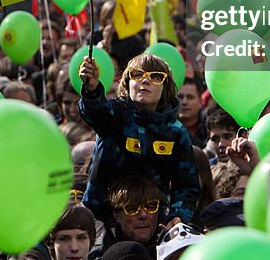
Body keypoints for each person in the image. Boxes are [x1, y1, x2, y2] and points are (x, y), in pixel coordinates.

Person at [78, 54, 199, 227]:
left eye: (156, 76)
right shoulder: (115, 114)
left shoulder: (176, 131)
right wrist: (91, 88)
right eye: (137, 74)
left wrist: (178, 215)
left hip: (152, 221)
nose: (145, 80)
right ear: (127, 83)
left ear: (166, 88)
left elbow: (187, 186)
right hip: (103, 217)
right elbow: (94, 113)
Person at [175, 78, 207, 148]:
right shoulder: (166, 127)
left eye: (190, 97)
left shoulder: (209, 128)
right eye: (180, 97)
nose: (184, 102)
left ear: (200, 101)